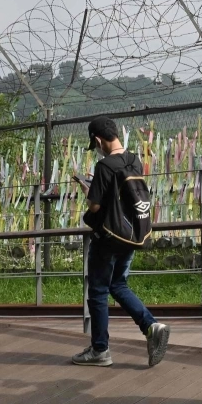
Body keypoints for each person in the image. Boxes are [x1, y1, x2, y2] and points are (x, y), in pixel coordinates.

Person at [72, 116, 170, 368]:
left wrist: (88, 190)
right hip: (130, 234)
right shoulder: (134, 160)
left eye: (95, 145)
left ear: (97, 140)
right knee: (117, 283)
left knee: (97, 291)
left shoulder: (105, 166)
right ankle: (152, 326)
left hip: (108, 237)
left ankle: (100, 350)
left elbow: (95, 206)